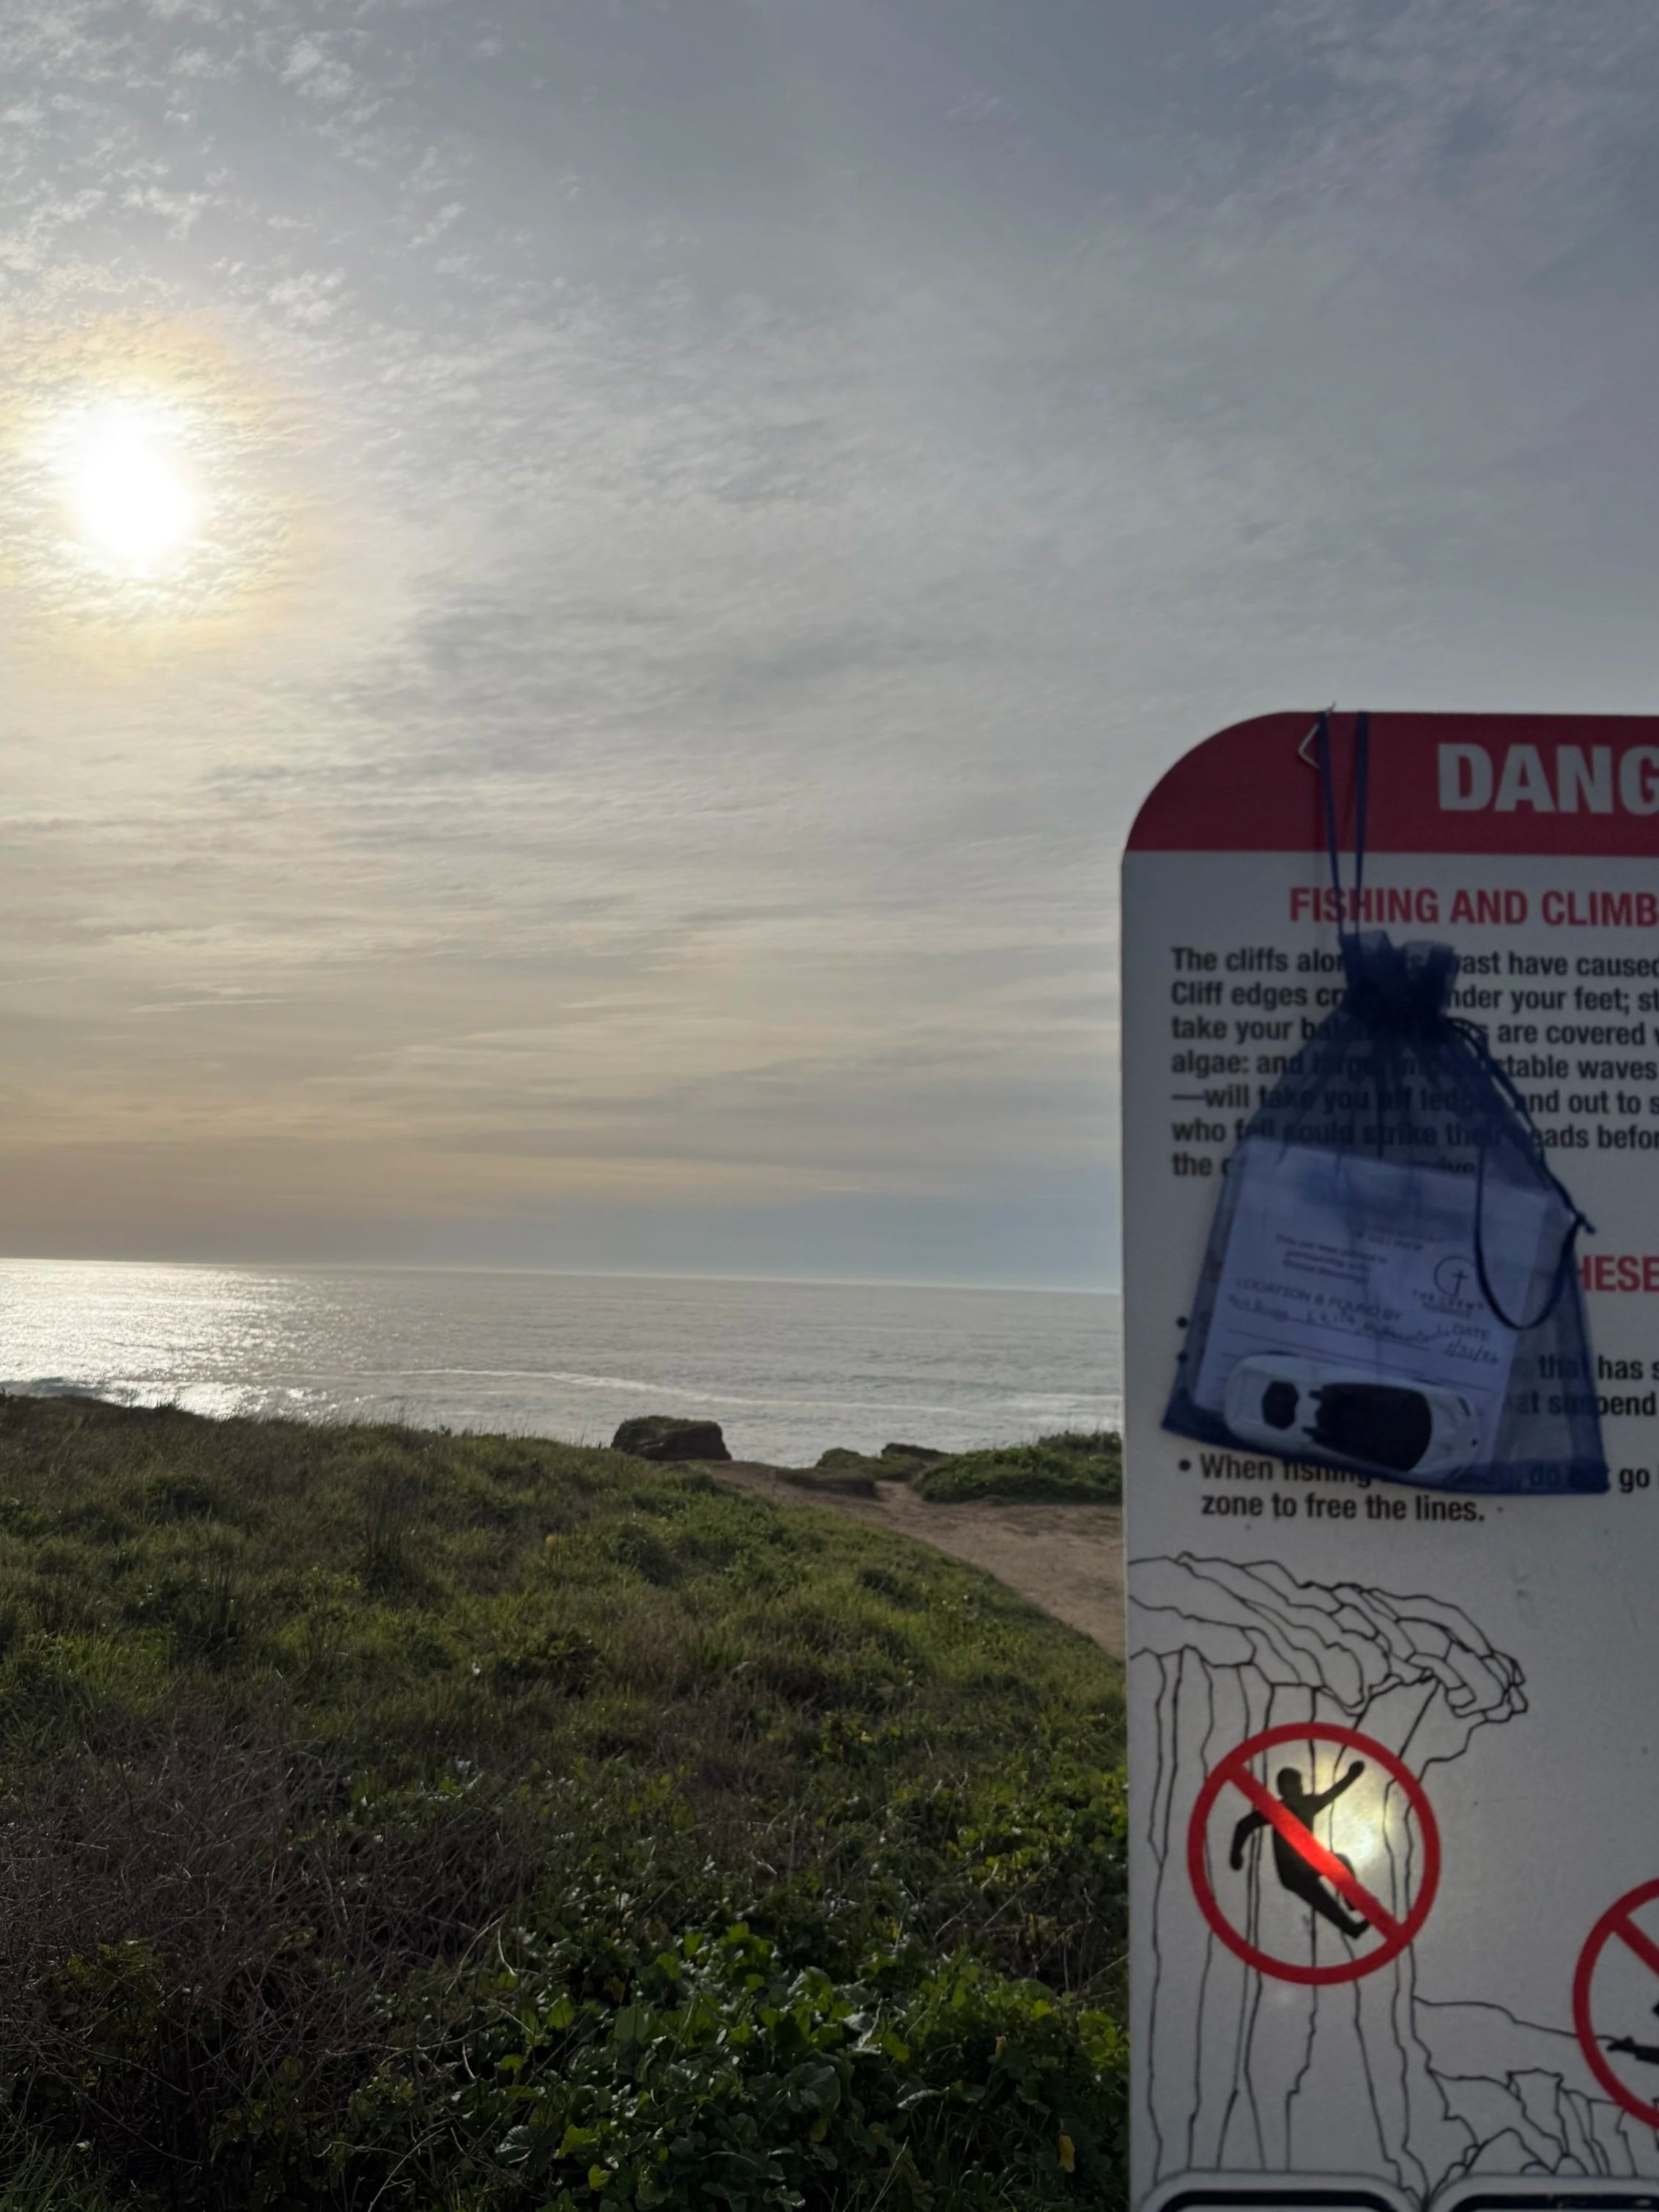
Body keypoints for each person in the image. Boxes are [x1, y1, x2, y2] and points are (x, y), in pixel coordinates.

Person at [1229, 1760, 1370, 1942]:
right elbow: (1244, 1825)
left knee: (1337, 1868)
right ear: (1282, 1789)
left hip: (1306, 1865)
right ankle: (1352, 1914)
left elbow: (1333, 1793)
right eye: (1291, 1784)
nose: (1297, 1788)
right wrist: (1236, 1853)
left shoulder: (1308, 1803)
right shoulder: (1276, 1810)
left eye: (1298, 1783)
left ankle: (1352, 1917)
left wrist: (1352, 1776)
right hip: (1291, 1872)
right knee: (1325, 1895)